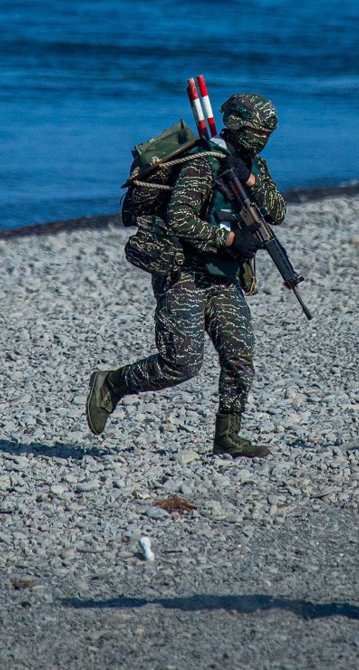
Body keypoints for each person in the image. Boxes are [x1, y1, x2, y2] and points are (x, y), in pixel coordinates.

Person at [87, 94, 286, 457]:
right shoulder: (202, 163)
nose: (263, 139)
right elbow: (180, 219)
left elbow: (277, 212)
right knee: (182, 363)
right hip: (184, 273)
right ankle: (111, 384)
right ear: (239, 125)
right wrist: (227, 238)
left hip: (223, 277)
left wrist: (252, 181)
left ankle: (228, 434)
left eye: (268, 133)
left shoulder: (253, 163)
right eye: (258, 131)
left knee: (240, 355)